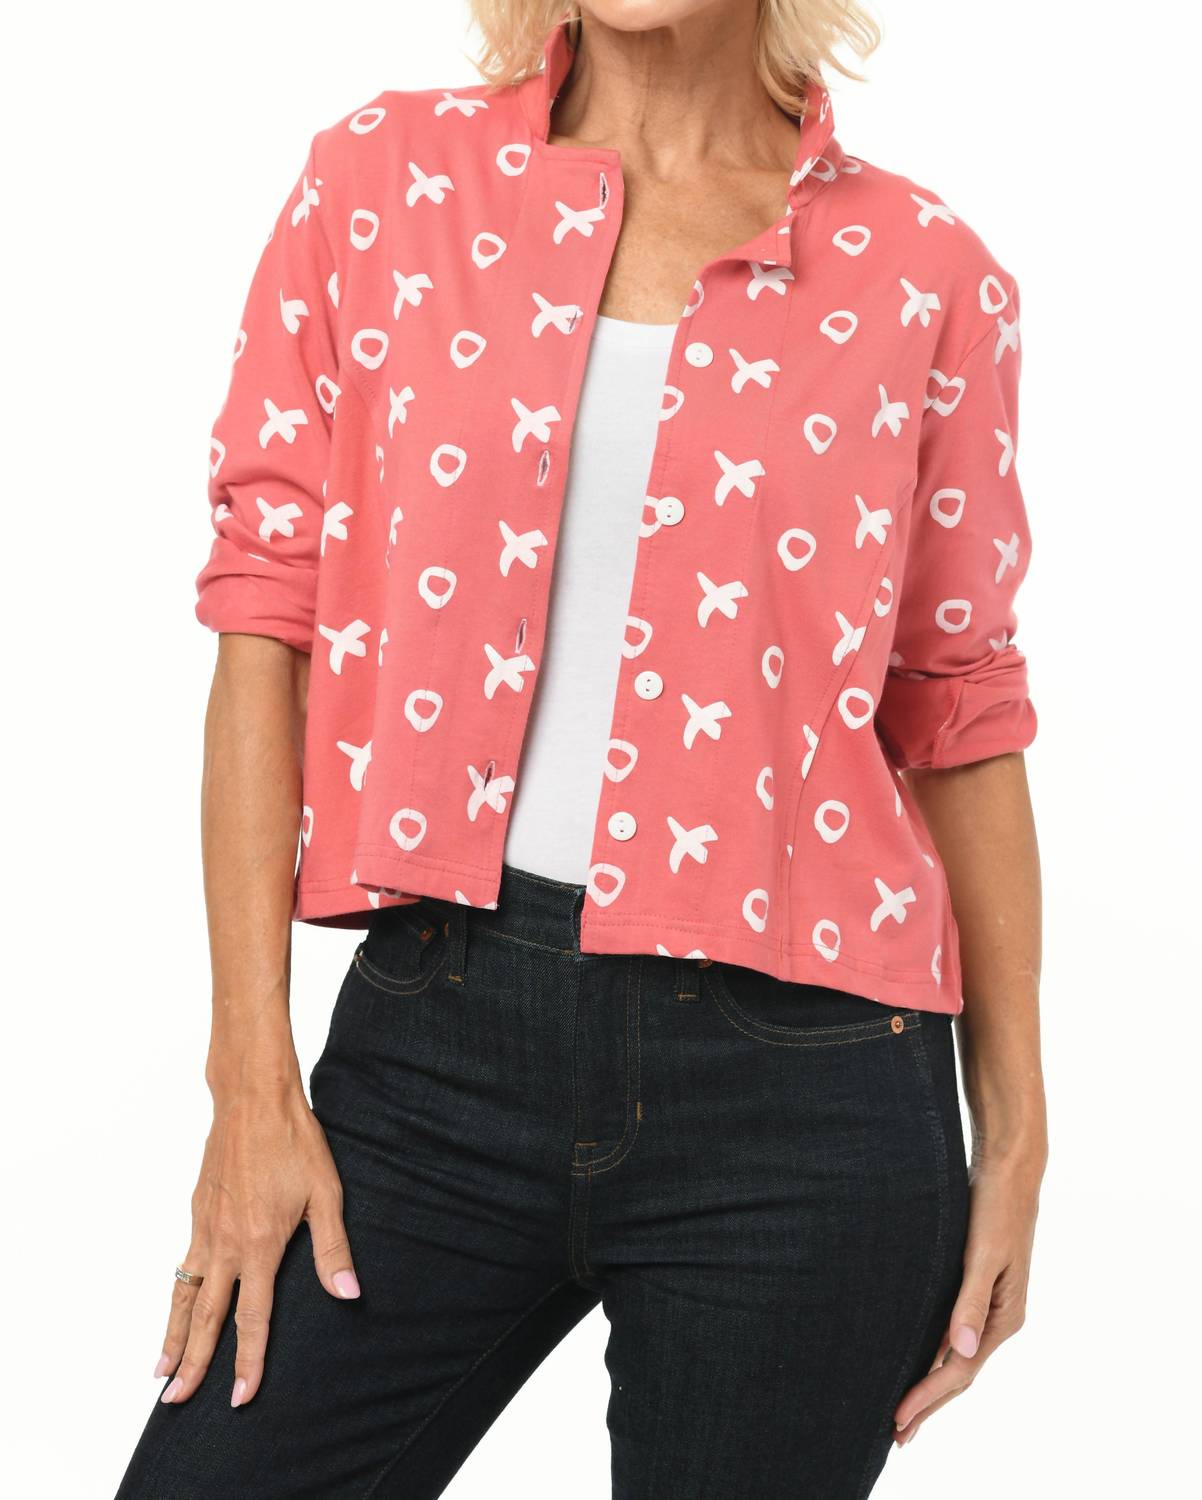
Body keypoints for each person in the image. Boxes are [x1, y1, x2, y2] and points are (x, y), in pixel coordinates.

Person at [116, 3, 1047, 1495]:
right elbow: (264, 618)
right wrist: (249, 1084)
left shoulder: (925, 272)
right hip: (435, 1045)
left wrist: (1014, 1136)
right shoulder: (383, 180)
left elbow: (958, 705)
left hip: (806, 1090)